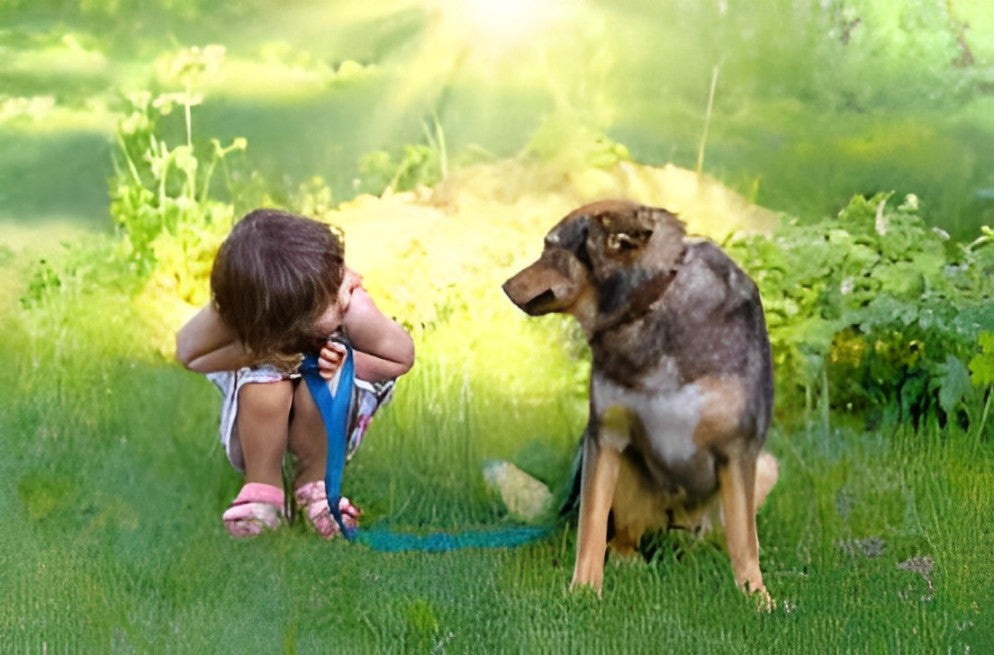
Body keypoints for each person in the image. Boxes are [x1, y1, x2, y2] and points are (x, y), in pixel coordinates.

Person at [175, 208, 415, 538]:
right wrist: (261, 347)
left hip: (329, 417)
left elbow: (401, 358)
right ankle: (263, 490)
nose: (335, 294)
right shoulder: (255, 306)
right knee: (264, 375)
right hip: (258, 417)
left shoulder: (348, 304)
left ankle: (314, 486)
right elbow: (189, 354)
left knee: (319, 381)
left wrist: (347, 362)